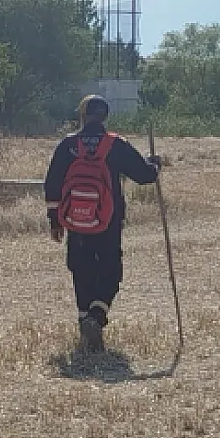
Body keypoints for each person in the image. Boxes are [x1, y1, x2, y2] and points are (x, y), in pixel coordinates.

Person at [44, 94, 161, 352]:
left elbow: (52, 183)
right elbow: (143, 176)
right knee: (110, 270)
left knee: (80, 268)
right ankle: (97, 316)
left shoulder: (69, 144)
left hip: (76, 221)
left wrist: (55, 220)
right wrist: (154, 165)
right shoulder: (116, 144)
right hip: (109, 220)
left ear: (82, 115)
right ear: (105, 116)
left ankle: (85, 320)